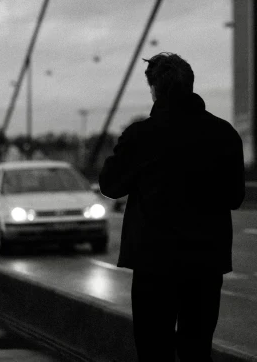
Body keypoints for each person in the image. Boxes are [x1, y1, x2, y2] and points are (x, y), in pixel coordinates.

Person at [98, 52, 245, 362]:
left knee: (154, 351)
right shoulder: (224, 134)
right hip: (205, 263)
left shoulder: (141, 136)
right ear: (191, 86)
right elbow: (235, 197)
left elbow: (110, 186)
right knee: (197, 349)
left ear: (155, 90)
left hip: (155, 264)